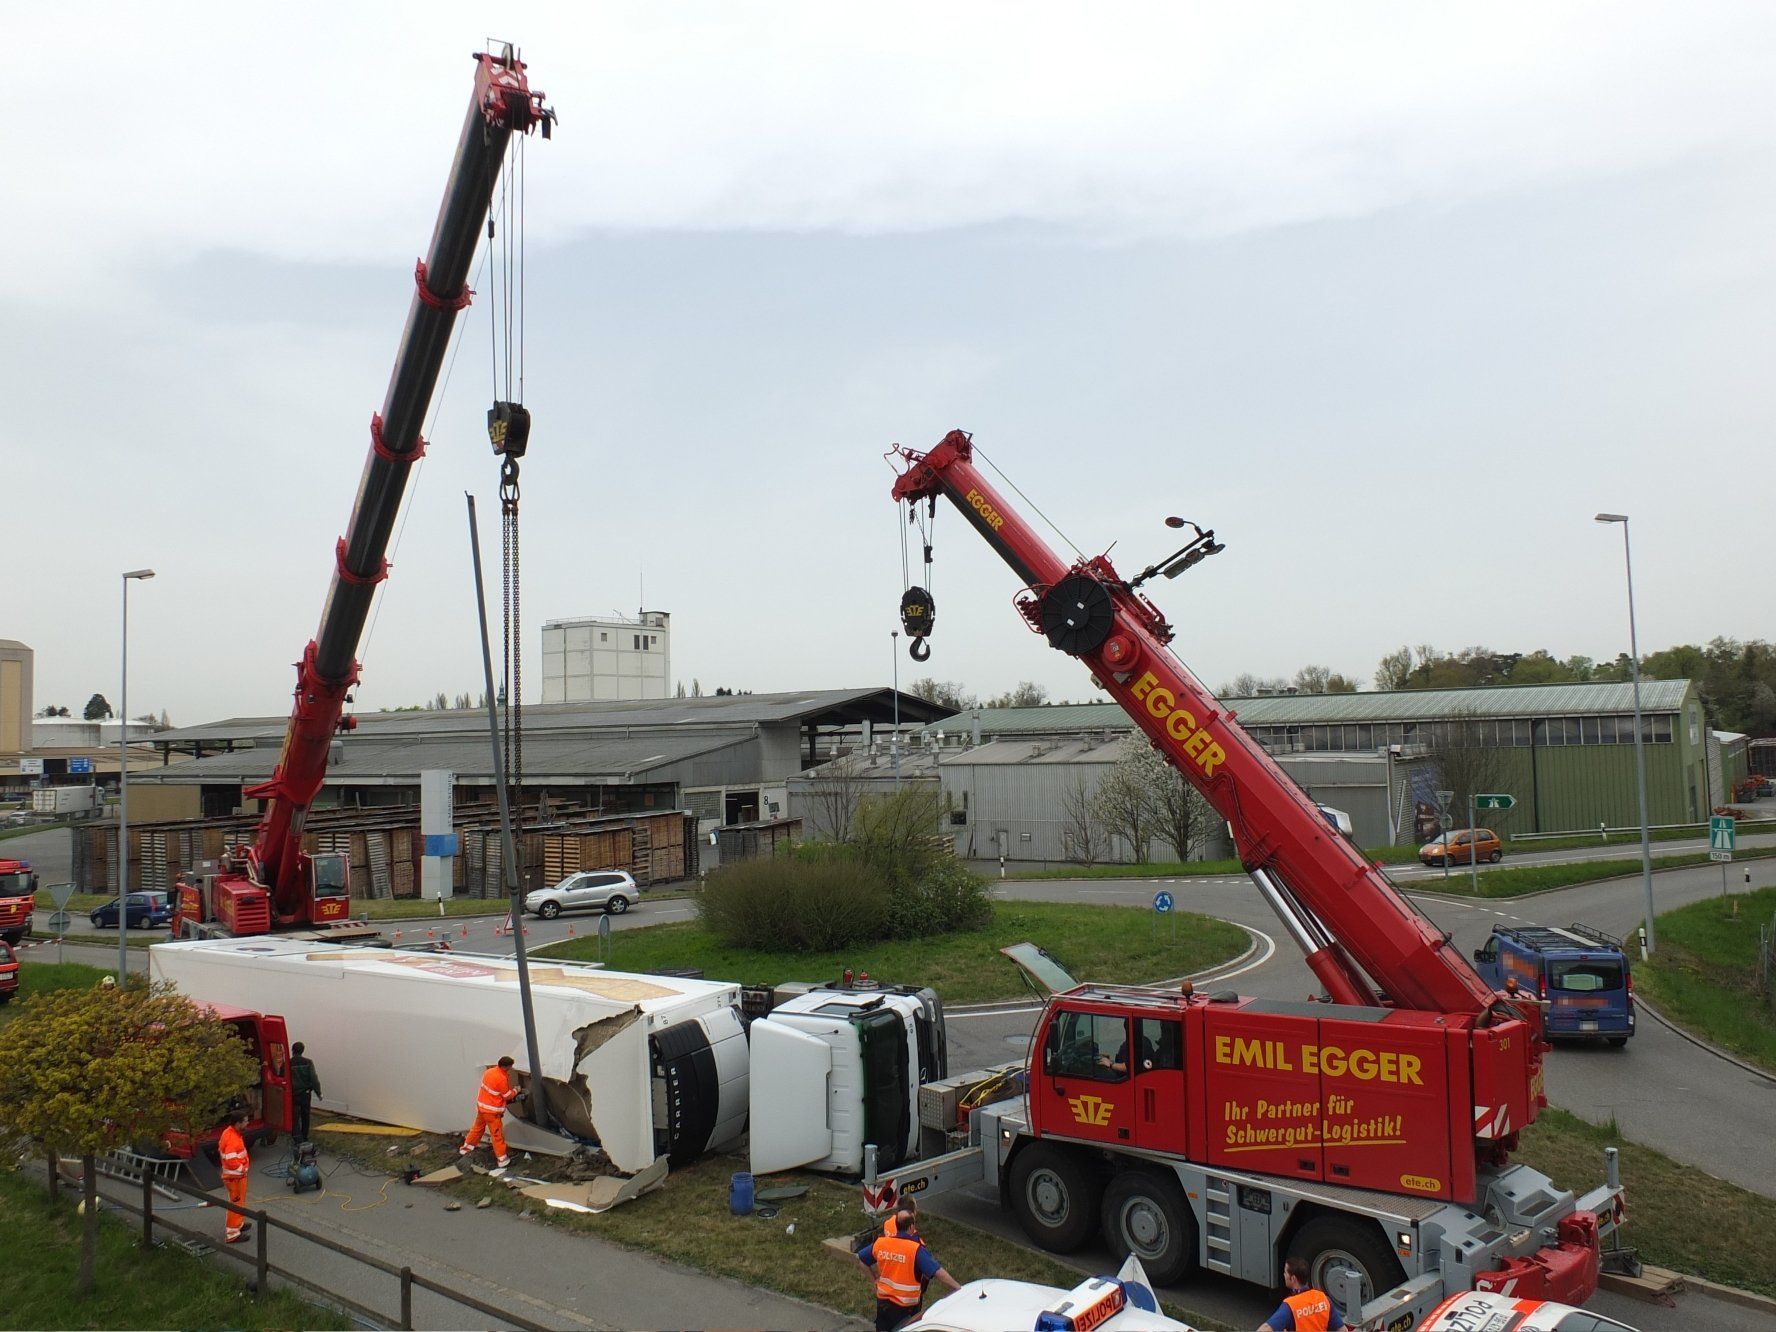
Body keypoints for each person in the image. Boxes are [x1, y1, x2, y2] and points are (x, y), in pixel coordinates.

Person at [857, 1209, 961, 1330]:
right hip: (906, 1309)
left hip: (883, 1304)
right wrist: (957, 1288)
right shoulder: (915, 1250)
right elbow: (937, 1272)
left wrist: (874, 1280)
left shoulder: (881, 1244)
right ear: (911, 1226)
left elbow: (862, 1261)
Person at [460, 1055, 520, 1168]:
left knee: (477, 1128)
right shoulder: (501, 1078)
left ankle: (466, 1148)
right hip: (492, 1112)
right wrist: (516, 1090)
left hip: (482, 1107)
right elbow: (507, 1096)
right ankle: (502, 1160)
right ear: (506, 1067)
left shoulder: (490, 1072)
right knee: (497, 1135)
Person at [1258, 1257, 1344, 1331]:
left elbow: (1266, 1328)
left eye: (1285, 1272)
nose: (1284, 1275)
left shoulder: (1290, 1305)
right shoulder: (1323, 1298)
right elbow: (1342, 1330)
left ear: (1293, 1278)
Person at [218, 1108, 253, 1245]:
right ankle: (232, 1234)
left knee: (239, 1203)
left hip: (235, 1177)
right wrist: (242, 1169)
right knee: (236, 1205)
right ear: (238, 1124)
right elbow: (231, 1160)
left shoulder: (230, 1132)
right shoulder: (232, 1138)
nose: (248, 1123)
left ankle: (238, 1224)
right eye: (245, 1121)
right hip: (235, 1178)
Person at [290, 1041, 322, 1142]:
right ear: (302, 1050)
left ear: (292, 1050)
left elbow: (282, 1076)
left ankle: (296, 1138)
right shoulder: (308, 1062)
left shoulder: (288, 1063)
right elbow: (314, 1079)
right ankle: (305, 1137)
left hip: (293, 1094)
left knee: (295, 1117)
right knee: (305, 1116)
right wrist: (318, 1093)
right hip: (305, 1094)